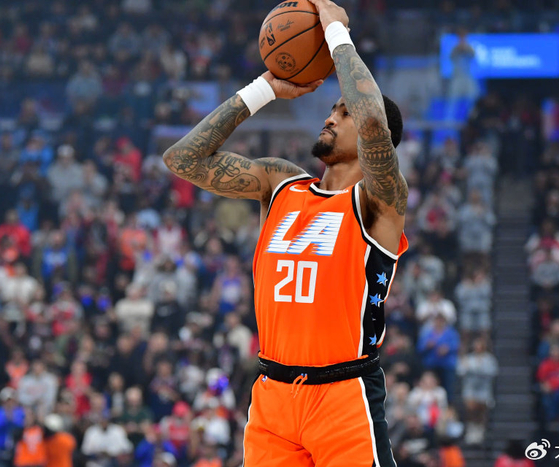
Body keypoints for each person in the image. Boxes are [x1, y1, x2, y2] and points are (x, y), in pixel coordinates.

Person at [162, 1, 408, 465]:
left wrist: (336, 37)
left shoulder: (380, 201)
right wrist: (263, 90)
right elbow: (182, 160)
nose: (330, 117)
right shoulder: (281, 184)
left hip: (343, 393)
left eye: (344, 112)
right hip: (272, 396)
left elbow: (374, 120)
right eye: (331, 109)